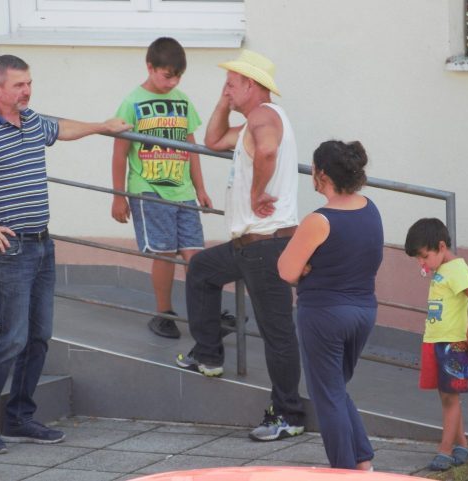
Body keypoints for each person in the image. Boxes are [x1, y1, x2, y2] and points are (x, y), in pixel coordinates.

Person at [0, 54, 130, 455]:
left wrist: (102, 126)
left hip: (41, 244)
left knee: (38, 336)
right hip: (11, 249)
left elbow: (63, 128)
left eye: (29, 83)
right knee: (12, 337)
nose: (27, 91)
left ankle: (19, 417)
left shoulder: (32, 121)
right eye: (19, 85)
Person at [175, 49, 306, 442]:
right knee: (202, 269)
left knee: (277, 334)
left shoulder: (264, 116)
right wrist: (223, 102)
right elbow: (214, 138)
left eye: (232, 83)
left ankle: (288, 414)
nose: (226, 88)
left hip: (267, 246)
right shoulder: (254, 120)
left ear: (252, 84)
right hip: (249, 245)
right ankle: (208, 355)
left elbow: (267, 150)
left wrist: (256, 190)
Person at [278, 140, 383, 470]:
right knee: (335, 388)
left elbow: (286, 270)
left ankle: (345, 471)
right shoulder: (370, 208)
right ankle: (363, 462)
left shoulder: (318, 220)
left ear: (321, 174)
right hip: (363, 312)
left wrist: (306, 265)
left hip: (324, 314)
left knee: (327, 395)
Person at [111, 37, 212, 339]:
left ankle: (205, 314)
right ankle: (164, 313)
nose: (173, 82)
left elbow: (192, 148)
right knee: (165, 253)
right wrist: (118, 196)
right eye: (168, 75)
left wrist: (200, 188)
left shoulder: (183, 101)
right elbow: (119, 153)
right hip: (149, 189)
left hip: (183, 191)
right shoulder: (132, 103)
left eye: (178, 76)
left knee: (196, 255)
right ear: (150, 67)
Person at [404, 218, 468, 471]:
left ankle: (445, 450)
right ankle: (462, 445)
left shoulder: (457, 269)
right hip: (435, 340)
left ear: (441, 246)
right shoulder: (441, 268)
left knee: (450, 397)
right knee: (447, 396)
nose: (421, 263)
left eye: (424, 256)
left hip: (453, 344)